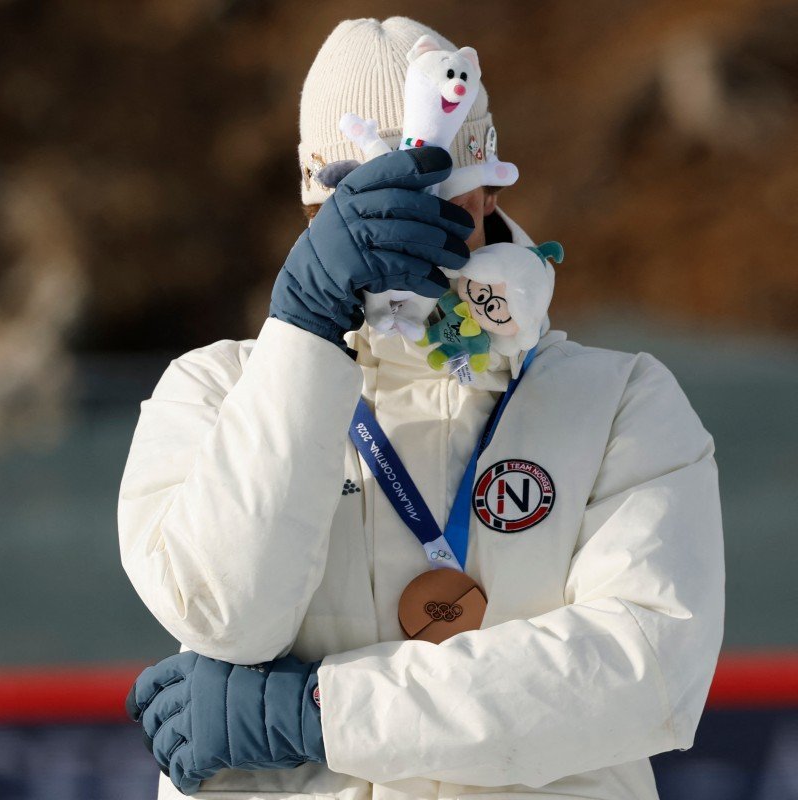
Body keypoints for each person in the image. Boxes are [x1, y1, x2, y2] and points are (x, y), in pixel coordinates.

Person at [119, 17, 724, 800]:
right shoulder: (213, 391)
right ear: (315, 213)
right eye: (366, 207)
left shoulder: (620, 403)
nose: (403, 236)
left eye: (432, 201)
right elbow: (228, 614)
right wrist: (306, 332)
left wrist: (317, 714)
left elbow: (643, 671)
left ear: (488, 191)